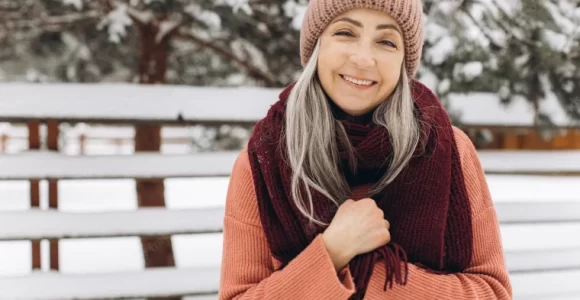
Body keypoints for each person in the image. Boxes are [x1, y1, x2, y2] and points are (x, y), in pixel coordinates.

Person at [218, 0, 512, 299]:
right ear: (317, 46)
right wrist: (331, 253)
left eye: (386, 41)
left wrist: (371, 275)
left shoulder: (451, 151)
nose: (363, 59)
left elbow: (493, 292)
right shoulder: (264, 159)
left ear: (403, 61)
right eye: (345, 33)